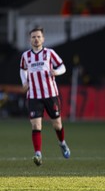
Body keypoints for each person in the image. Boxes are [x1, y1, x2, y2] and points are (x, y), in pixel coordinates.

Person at [19, 27, 70, 166]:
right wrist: (24, 81)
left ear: (43, 39)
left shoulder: (49, 53)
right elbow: (23, 69)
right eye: (33, 37)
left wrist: (56, 72)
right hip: (34, 96)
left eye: (38, 36)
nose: (36, 39)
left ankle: (62, 143)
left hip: (51, 95)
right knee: (36, 125)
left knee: (57, 125)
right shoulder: (26, 56)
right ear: (30, 40)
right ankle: (38, 154)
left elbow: (63, 67)